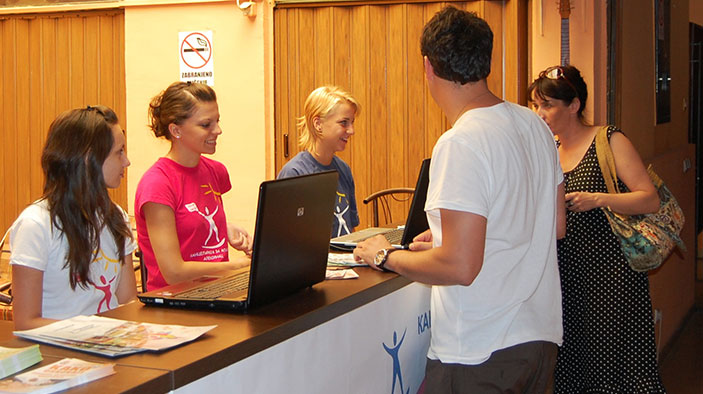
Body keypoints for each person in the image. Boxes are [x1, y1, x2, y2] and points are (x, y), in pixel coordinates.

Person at [353, 7, 566, 392]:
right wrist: (453, 236)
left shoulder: (461, 141)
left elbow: (461, 267)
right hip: (537, 338)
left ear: (428, 67)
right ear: (486, 59)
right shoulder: (533, 124)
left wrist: (384, 255)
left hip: (481, 350)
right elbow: (553, 224)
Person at [529, 65, 665, 392]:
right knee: (573, 369)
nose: (539, 113)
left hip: (613, 279)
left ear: (573, 105)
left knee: (621, 369)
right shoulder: (549, 152)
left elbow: (650, 200)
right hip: (567, 280)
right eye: (535, 105)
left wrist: (598, 199)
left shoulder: (608, 140)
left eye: (546, 105)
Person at [9, 105, 137, 330]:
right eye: (119, 152)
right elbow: (26, 323)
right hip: (60, 354)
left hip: (113, 346)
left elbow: (127, 303)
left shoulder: (116, 216)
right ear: (89, 158)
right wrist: (95, 333)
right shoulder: (35, 224)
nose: (126, 161)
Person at [135, 82, 251, 292]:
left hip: (218, 291)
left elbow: (190, 221)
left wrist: (225, 228)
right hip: (177, 301)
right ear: (176, 130)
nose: (218, 130)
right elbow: (174, 272)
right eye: (206, 125)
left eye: (217, 121)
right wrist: (235, 267)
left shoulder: (216, 171)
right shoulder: (157, 184)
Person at [277, 86, 360, 237]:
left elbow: (351, 230)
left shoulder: (343, 169)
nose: (351, 130)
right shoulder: (295, 173)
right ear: (318, 124)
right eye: (344, 123)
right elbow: (286, 237)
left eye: (352, 123)